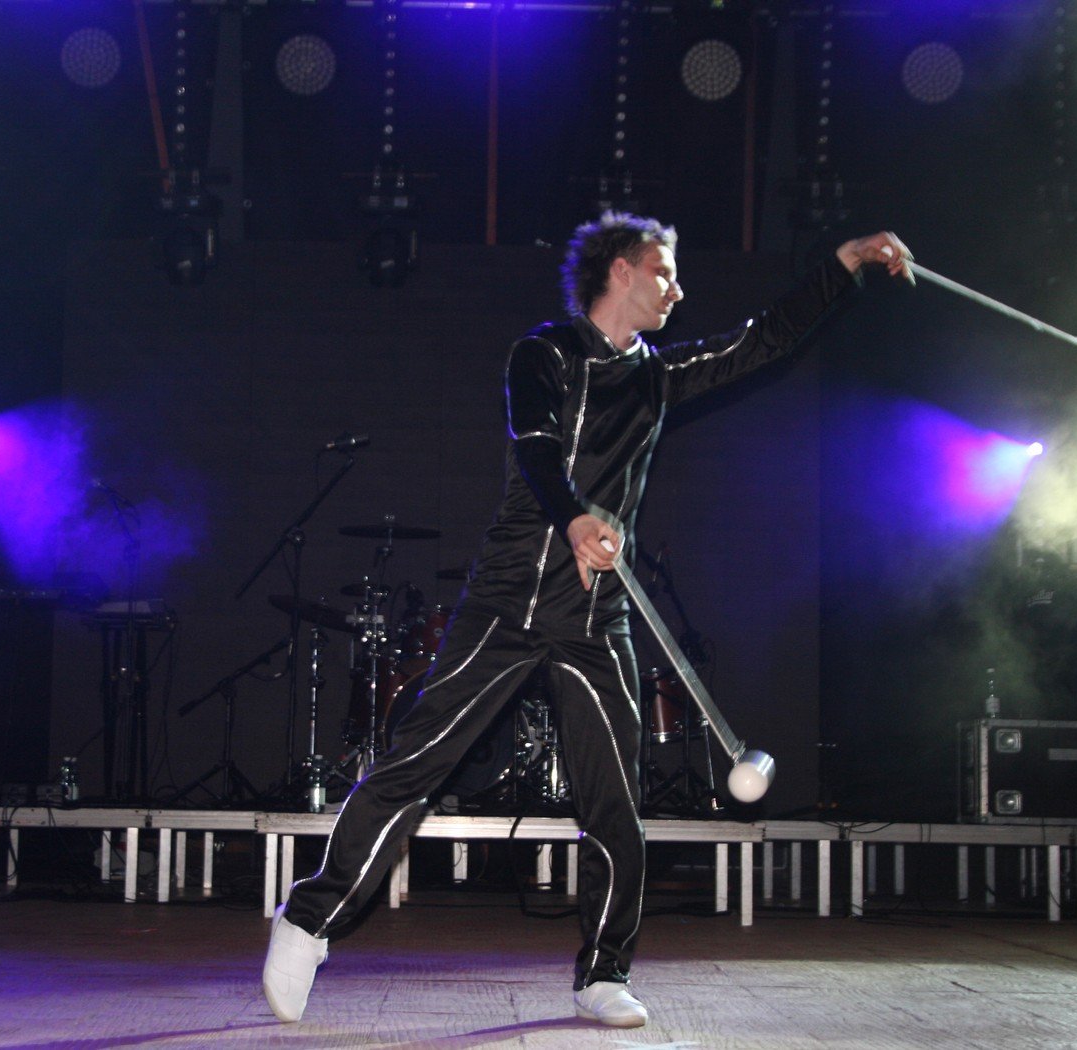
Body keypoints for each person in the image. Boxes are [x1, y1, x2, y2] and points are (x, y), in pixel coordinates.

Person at [263, 213, 913, 1028]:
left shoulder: (656, 377)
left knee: (613, 799)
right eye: (663, 272)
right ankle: (308, 919)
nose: (677, 289)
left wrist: (841, 265)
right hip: (509, 596)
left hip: (596, 614)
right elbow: (535, 446)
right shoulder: (542, 354)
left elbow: (762, 341)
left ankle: (604, 972)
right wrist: (573, 518)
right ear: (620, 271)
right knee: (416, 763)